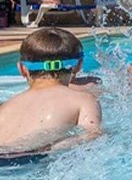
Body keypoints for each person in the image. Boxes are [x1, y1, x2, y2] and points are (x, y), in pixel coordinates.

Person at [0, 27, 102, 163]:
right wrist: (55, 148)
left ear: (22, 69)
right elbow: (93, 136)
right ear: (78, 66)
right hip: (32, 158)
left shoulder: (5, 105)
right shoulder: (84, 99)